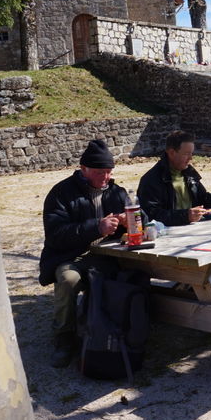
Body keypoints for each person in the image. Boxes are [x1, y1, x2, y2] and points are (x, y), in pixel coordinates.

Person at [38, 139, 129, 368]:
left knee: (135, 272)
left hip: (109, 254)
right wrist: (96, 227)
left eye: (109, 172)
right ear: (83, 169)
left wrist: (132, 222)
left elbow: (141, 217)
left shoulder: (117, 192)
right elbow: (56, 234)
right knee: (68, 280)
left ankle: (127, 326)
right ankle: (64, 338)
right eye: (100, 172)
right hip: (71, 257)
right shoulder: (61, 193)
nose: (106, 178)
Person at [137, 130, 211, 226]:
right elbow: (151, 215)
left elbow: (203, 199)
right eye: (186, 154)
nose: (191, 158)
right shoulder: (151, 180)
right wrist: (185, 216)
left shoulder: (189, 173)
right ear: (172, 153)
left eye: (191, 153)